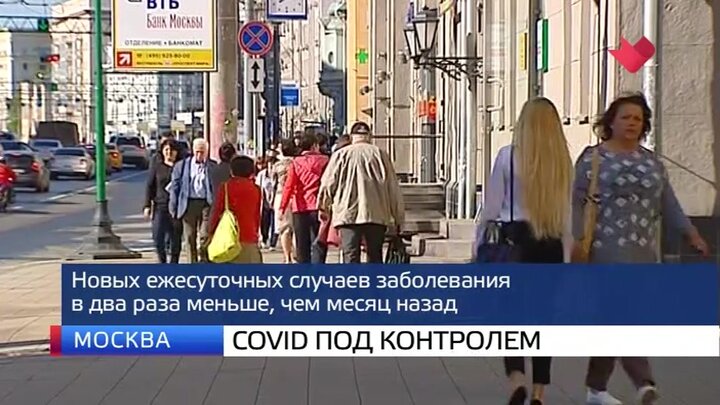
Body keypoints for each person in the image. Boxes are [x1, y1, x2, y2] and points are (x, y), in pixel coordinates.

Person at [572, 92, 709, 405]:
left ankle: (596, 388)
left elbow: (668, 203)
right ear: (611, 122)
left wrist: (691, 233)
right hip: (604, 251)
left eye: (638, 118)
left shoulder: (651, 163)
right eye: (625, 117)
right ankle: (643, 382)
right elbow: (576, 202)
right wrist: (576, 239)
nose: (632, 123)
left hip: (643, 252)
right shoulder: (593, 158)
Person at [473, 98, 574, 405]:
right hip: (550, 243)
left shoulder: (508, 156)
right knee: (544, 317)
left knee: (510, 315)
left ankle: (517, 378)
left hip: (513, 242)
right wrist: (567, 258)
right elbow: (567, 216)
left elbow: (491, 208)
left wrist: (478, 245)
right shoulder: (562, 162)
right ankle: (539, 392)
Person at [318, 121, 404, 263]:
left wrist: (324, 206)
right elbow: (393, 188)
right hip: (376, 213)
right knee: (375, 255)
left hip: (347, 213)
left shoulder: (341, 155)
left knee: (350, 255)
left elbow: (327, 183)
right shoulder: (380, 155)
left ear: (352, 136)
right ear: (369, 136)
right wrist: (398, 217)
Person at [279, 132, 330, 263]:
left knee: (302, 243)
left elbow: (289, 186)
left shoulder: (296, 163)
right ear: (314, 146)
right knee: (319, 241)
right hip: (319, 205)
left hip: (300, 207)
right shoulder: (325, 161)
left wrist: (282, 207)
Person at [168, 138, 218, 263]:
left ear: (206, 152)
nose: (199, 155)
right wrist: (173, 206)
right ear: (192, 151)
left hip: (206, 204)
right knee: (190, 236)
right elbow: (175, 187)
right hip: (188, 203)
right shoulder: (182, 166)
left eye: (202, 152)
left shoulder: (212, 166)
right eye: (197, 152)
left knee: (205, 234)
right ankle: (192, 263)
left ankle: (204, 259)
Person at [208, 155, 263, 263]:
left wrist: (211, 231)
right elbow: (256, 215)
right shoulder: (256, 189)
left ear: (232, 170)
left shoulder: (225, 187)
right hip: (249, 236)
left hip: (229, 238)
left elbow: (217, 212)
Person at [143, 139, 183, 263]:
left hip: (177, 207)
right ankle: (162, 261)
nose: (169, 152)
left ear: (177, 152)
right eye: (166, 150)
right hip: (160, 206)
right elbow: (150, 185)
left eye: (172, 150)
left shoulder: (181, 167)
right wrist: (147, 205)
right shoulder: (157, 166)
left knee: (175, 239)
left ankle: (174, 263)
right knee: (158, 237)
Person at [272, 139, 297, 263]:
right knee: (296, 228)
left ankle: (287, 257)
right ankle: (297, 254)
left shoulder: (277, 165)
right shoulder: (297, 163)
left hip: (281, 195)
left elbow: (273, 182)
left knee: (284, 229)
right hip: (296, 196)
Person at [256, 153, 277, 250]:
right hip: (264, 201)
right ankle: (264, 239)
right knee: (265, 222)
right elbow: (258, 187)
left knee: (274, 223)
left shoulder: (277, 175)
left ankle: (273, 243)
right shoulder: (262, 175)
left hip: (275, 200)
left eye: (273, 163)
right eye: (270, 163)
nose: (271, 166)